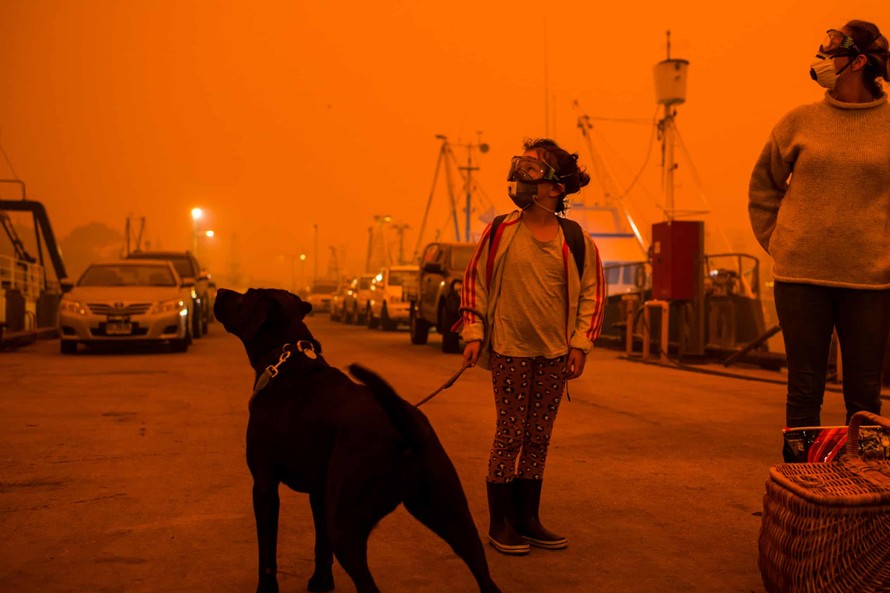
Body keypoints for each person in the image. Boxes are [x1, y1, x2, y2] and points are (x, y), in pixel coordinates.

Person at [458, 138, 605, 555]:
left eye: (534, 168)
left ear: (555, 188)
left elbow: (593, 294)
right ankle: (500, 522)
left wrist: (580, 344)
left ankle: (528, 517)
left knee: (539, 438)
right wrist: (473, 332)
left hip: (555, 355)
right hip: (509, 350)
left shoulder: (575, 240)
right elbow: (475, 283)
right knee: (510, 434)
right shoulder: (501, 230)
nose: (522, 174)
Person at [748, 20, 890, 447]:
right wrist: (780, 242)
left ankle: (868, 491)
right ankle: (802, 487)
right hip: (800, 278)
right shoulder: (798, 122)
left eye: (831, 54)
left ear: (859, 61)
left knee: (866, 395)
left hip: (871, 279)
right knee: (804, 389)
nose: (822, 61)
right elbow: (763, 187)